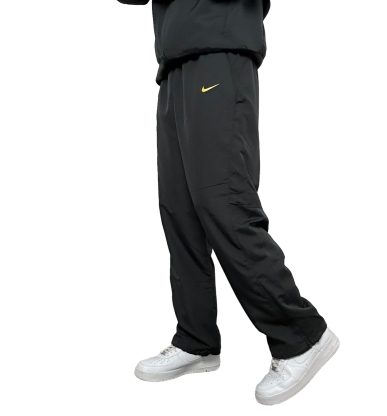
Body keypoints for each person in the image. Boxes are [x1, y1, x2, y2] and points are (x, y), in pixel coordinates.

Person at [119, 0, 340, 405]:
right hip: (174, 58)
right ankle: (196, 338)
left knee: (223, 199)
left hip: (220, 49)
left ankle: (302, 337)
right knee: (180, 208)